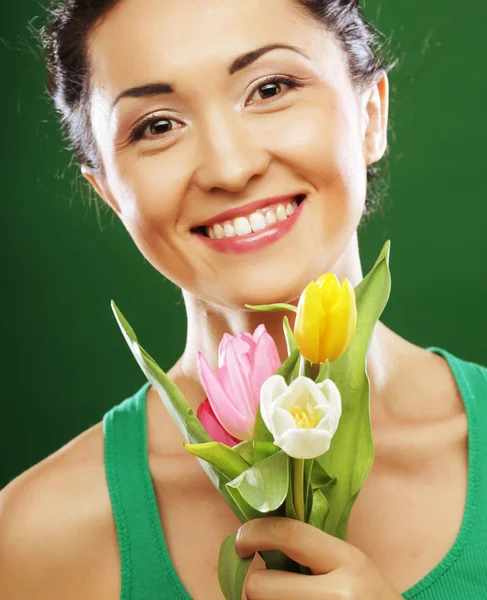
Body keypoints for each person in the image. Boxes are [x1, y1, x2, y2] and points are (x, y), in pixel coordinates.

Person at [0, 0, 486, 598]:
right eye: (157, 125)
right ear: (108, 192)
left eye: (271, 87)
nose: (229, 168)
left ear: (371, 115)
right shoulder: (30, 538)